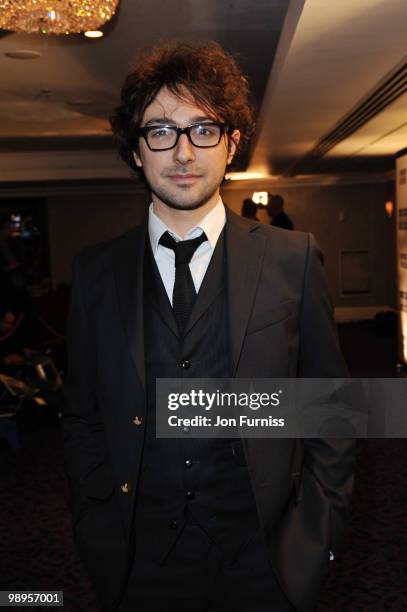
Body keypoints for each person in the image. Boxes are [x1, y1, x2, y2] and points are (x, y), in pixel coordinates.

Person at [62, 42, 354, 612]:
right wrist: (95, 522)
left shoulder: (294, 259)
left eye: (203, 129)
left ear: (231, 143)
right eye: (161, 131)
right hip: (137, 564)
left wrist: (313, 540)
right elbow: (81, 416)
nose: (183, 152)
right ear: (136, 150)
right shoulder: (95, 271)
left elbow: (331, 409)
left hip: (266, 561)